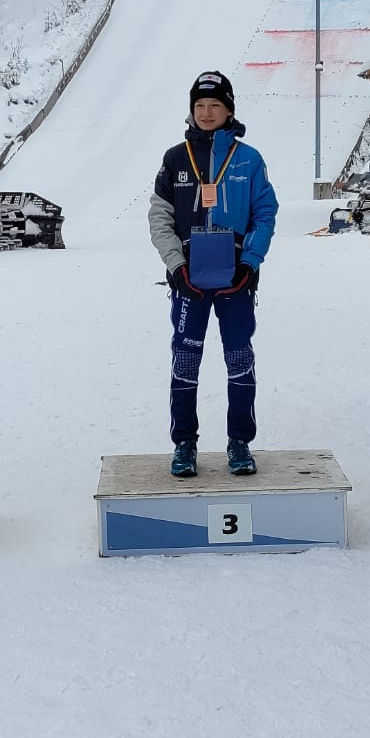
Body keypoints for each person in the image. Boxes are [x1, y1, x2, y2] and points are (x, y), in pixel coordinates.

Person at [148, 71, 278, 477]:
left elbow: (265, 214)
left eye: (215, 105)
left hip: (235, 280)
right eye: (200, 106)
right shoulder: (175, 158)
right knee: (186, 358)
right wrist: (176, 265)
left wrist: (249, 262)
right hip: (190, 281)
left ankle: (239, 442)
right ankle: (184, 443)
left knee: (239, 357)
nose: (206, 113)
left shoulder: (249, 159)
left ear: (229, 110)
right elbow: (159, 217)